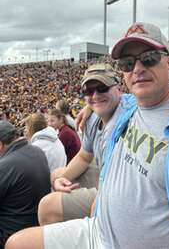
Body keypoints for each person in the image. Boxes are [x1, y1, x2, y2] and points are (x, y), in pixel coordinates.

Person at [5, 22, 169, 249]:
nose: (137, 68)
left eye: (148, 58)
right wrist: (90, 104)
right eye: (128, 63)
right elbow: (104, 98)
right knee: (17, 244)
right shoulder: (128, 108)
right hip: (98, 230)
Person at [38, 64, 132, 225]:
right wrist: (62, 178)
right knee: (55, 174)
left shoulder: (133, 113)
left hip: (121, 195)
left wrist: (92, 104)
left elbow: (155, 95)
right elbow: (83, 157)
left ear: (119, 87)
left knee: (47, 206)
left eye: (102, 88)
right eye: (88, 91)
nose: (95, 95)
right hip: (106, 179)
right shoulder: (92, 117)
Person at [0, 121, 51, 249]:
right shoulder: (38, 151)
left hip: (11, 235)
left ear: (0, 145)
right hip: (36, 227)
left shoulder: (5, 166)